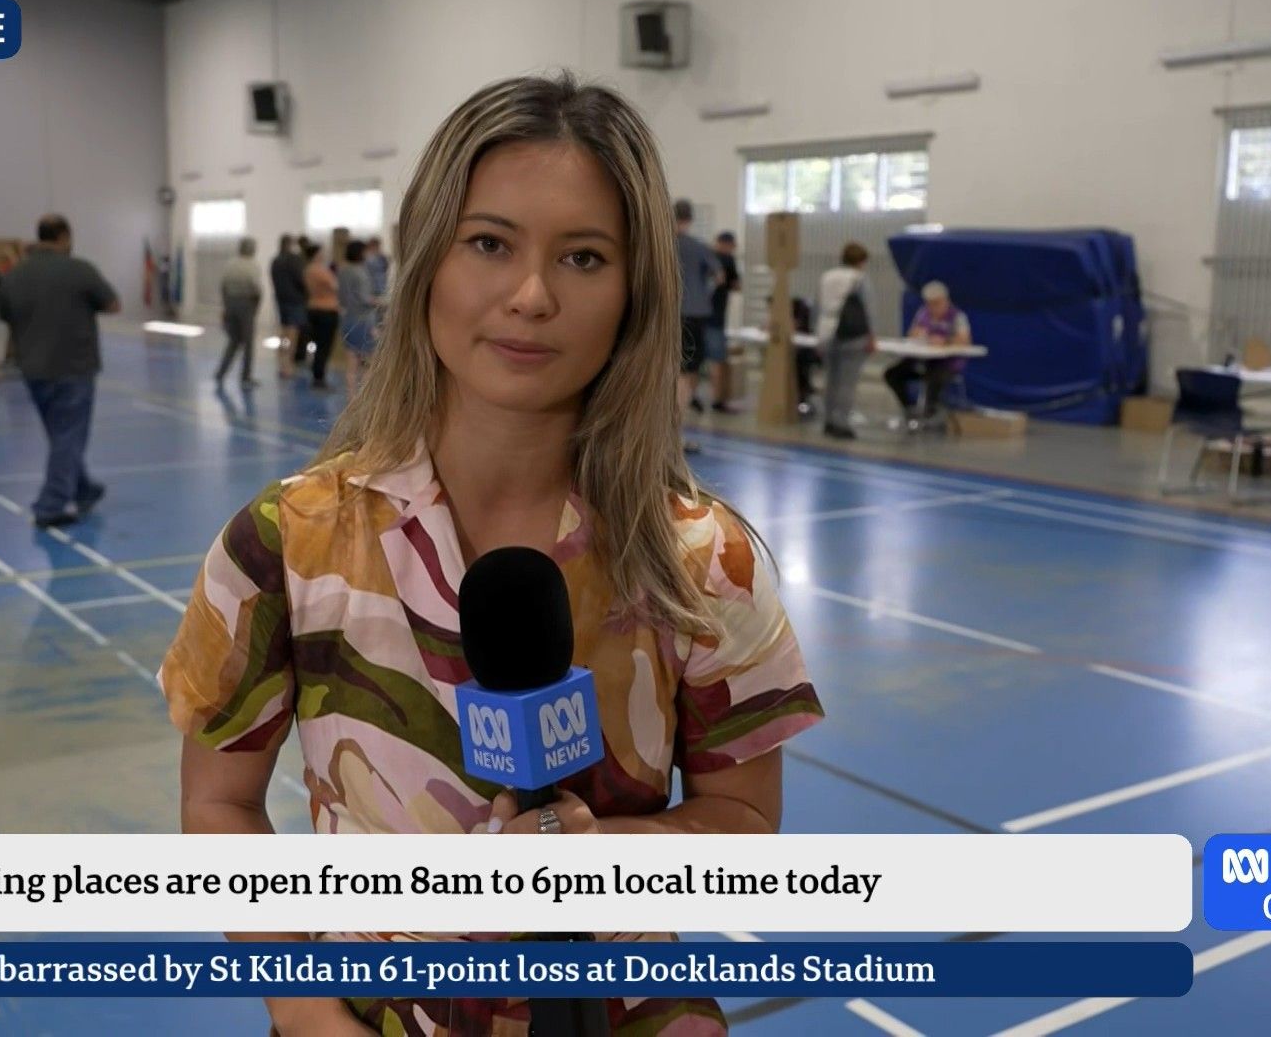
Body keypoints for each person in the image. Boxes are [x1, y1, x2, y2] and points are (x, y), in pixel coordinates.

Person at [162, 73, 822, 1037]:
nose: (531, 296)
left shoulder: (704, 561)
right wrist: (305, 1013)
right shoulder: (285, 543)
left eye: (584, 257)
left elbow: (745, 825)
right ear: (428, 259)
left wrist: (612, 857)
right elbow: (220, 807)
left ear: (634, 293)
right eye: (489, 243)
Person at [0, 214, 121, 529]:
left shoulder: (16, 274)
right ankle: (49, 506)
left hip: (33, 369)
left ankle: (84, 489)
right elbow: (112, 304)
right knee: (68, 436)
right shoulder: (79, 269)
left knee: (60, 434)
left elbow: (4, 312)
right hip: (73, 366)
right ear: (64, 236)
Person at [672, 199, 721, 453]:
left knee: (666, 373)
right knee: (687, 373)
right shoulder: (698, 247)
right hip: (693, 314)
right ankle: (674, 436)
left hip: (665, 314)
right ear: (690, 219)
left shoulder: (662, 244)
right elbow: (719, 276)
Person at [884, 280, 972, 420]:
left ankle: (930, 413)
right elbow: (912, 333)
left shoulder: (957, 316)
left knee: (934, 378)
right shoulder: (923, 313)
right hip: (923, 360)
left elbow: (964, 340)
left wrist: (945, 341)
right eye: (929, 303)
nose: (932, 307)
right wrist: (918, 334)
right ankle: (910, 408)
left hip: (946, 363)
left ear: (945, 300)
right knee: (893, 374)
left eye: (936, 303)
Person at [817, 243, 877, 439]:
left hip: (827, 332)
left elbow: (818, 306)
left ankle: (828, 420)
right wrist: (872, 336)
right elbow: (868, 309)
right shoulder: (859, 279)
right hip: (852, 334)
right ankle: (841, 423)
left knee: (831, 380)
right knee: (847, 382)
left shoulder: (827, 277)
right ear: (862, 261)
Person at [216, 236, 263, 389]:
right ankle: (246, 377)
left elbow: (223, 286)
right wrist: (255, 308)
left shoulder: (230, 264)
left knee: (234, 340)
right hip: (246, 304)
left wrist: (226, 306)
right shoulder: (252, 265)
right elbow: (256, 289)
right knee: (248, 343)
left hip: (230, 303)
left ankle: (221, 372)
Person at [336, 238, 380, 397]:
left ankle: (351, 396)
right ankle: (365, 398)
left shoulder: (342, 271)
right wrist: (382, 301)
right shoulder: (360, 273)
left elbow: (341, 297)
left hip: (348, 318)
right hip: (363, 320)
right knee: (370, 362)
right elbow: (365, 298)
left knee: (351, 362)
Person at [708, 230, 741, 412]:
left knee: (690, 363)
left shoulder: (705, 256)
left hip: (693, 316)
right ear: (728, 244)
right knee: (718, 360)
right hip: (716, 317)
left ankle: (689, 398)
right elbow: (736, 285)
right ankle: (717, 400)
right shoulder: (727, 260)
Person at [268, 233, 308, 379]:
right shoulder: (294, 259)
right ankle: (288, 366)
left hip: (281, 300)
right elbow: (301, 279)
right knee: (292, 334)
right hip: (295, 300)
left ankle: (281, 364)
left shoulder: (275, 260)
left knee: (283, 332)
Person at [302, 239, 341, 389]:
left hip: (313, 307)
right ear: (316, 254)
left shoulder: (307, 270)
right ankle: (319, 377)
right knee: (324, 346)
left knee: (318, 344)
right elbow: (335, 286)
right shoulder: (320, 271)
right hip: (327, 310)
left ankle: (317, 373)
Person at [364, 235, 391, 299]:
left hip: (381, 283)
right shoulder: (366, 257)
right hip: (370, 283)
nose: (376, 248)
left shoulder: (382, 257)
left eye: (377, 246)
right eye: (374, 246)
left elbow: (386, 267)